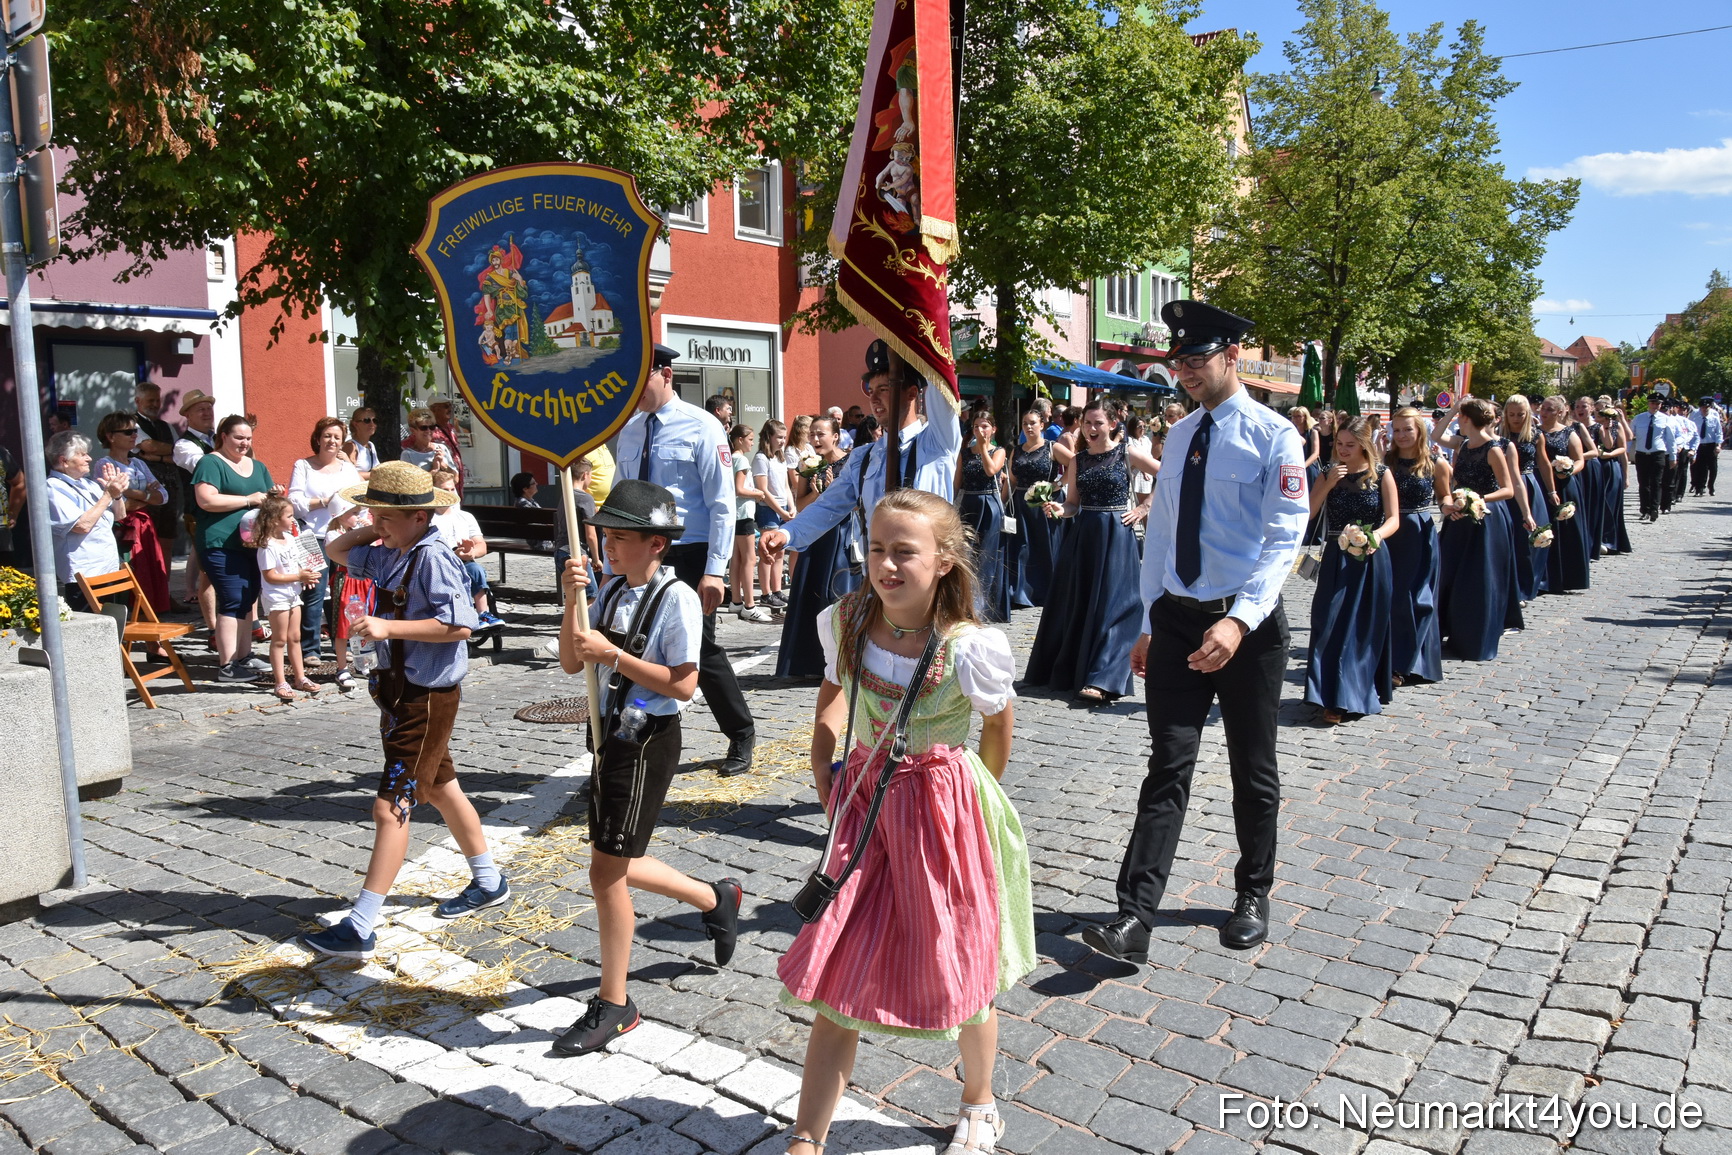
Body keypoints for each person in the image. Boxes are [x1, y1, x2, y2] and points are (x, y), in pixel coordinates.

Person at [778, 489, 1034, 1155]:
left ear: (945, 560)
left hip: (940, 815)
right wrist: (822, 753)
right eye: (878, 549)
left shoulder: (968, 646)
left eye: (904, 552)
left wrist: (972, 790)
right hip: (865, 811)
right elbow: (836, 694)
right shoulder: (852, 618)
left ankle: (979, 1099)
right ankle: (807, 1137)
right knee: (836, 968)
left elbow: (999, 724)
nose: (886, 564)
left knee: (961, 964)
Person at [1083, 301, 1306, 964]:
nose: (1185, 372)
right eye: (1178, 361)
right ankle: (1133, 916)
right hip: (1178, 622)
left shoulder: (1274, 436)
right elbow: (1159, 535)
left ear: (1232, 356)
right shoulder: (1179, 436)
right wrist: (1152, 616)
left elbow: (1285, 538)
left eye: (1196, 359)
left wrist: (1239, 622)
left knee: (1252, 768)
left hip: (1248, 627)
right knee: (1167, 765)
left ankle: (1252, 892)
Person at [550, 480, 743, 1055]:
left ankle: (616, 1003)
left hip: (649, 738)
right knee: (618, 860)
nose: (609, 546)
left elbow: (684, 684)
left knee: (606, 871)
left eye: (621, 538)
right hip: (609, 732)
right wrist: (571, 603)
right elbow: (568, 663)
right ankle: (716, 898)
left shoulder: (676, 598)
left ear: (656, 544)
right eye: (607, 536)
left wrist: (616, 657)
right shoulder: (608, 590)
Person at [303, 462, 496, 959]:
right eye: (373, 511)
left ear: (417, 516)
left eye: (386, 514)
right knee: (441, 785)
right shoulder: (391, 549)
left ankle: (362, 924)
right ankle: (490, 881)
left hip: (425, 695)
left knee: (392, 806)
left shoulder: (432, 558)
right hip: (399, 689)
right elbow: (335, 549)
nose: (376, 523)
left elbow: (461, 625)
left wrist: (391, 629)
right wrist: (379, 522)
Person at [615, 344, 758, 776]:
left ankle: (741, 731)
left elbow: (721, 504)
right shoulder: (631, 430)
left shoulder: (702, 426)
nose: (635, 391)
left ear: (666, 376)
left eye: (643, 380)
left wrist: (716, 570)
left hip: (690, 551)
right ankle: (635, 733)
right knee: (638, 642)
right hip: (644, 550)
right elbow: (622, 498)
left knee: (700, 646)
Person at [759, 339, 964, 596]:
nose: (874, 398)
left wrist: (923, 336)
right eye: (871, 388)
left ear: (912, 392)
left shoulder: (936, 443)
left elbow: (941, 387)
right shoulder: (863, 456)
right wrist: (787, 534)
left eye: (886, 387)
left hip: (928, 588)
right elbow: (827, 507)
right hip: (878, 586)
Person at [1023, 400, 1153, 702]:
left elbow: (1169, 473)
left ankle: (1104, 677)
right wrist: (1059, 508)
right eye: (1087, 423)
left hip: (1116, 536)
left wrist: (1145, 506)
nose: (1092, 429)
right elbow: (1073, 505)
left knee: (1115, 606)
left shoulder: (1126, 453)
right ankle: (1072, 670)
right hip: (1084, 535)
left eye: (1098, 423)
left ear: (1111, 424)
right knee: (1077, 604)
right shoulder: (1079, 459)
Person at [1304, 417, 1399, 723]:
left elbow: (1394, 519)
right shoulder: (1327, 472)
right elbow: (1308, 513)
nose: (1343, 450)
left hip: (1371, 557)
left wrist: (1376, 537)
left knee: (1361, 627)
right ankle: (1327, 693)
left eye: (1350, 445)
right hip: (1336, 555)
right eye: (1340, 444)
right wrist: (1328, 483)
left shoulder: (1382, 474)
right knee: (1327, 621)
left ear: (1365, 445)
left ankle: (1348, 695)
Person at [192, 416, 279, 682]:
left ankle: (244, 655)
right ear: (224, 436)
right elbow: (206, 500)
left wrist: (273, 496)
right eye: (239, 438)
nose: (244, 443)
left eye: (248, 438)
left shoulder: (258, 466)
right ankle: (227, 665)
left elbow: (265, 500)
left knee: (247, 597)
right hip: (219, 543)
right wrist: (247, 500)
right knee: (231, 598)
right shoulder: (210, 462)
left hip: (252, 544)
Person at [774, 416, 860, 680]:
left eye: (820, 434)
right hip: (815, 535)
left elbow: (857, 501)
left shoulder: (853, 461)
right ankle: (810, 662)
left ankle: (845, 661)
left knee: (838, 593)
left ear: (835, 436)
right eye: (811, 434)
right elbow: (801, 505)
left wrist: (836, 490)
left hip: (844, 533)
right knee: (811, 593)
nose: (814, 440)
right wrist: (817, 493)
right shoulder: (809, 465)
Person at [1437, 399, 1523, 661]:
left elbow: (1507, 489)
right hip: (1459, 516)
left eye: (1459, 416)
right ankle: (1447, 629)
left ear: (1466, 419)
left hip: (1485, 519)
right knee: (1450, 574)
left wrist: (1478, 499)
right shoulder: (1463, 445)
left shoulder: (1494, 449)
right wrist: (1453, 408)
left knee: (1477, 578)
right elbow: (1435, 436)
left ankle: (1475, 636)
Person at [289, 417, 364, 665]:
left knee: (342, 593)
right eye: (328, 436)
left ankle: (341, 643)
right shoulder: (303, 465)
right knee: (314, 591)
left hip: (344, 536)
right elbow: (295, 503)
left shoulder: (347, 469)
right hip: (312, 536)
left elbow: (359, 500)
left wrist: (357, 522)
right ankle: (310, 649)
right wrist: (325, 501)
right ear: (318, 438)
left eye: (337, 437)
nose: (332, 441)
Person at [1387, 408, 1449, 685]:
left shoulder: (1435, 462)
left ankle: (1409, 661)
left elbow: (1444, 497)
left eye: (1407, 429)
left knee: (1418, 599)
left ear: (1420, 430)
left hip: (1420, 535)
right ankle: (1394, 660)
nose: (1401, 435)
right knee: (1395, 598)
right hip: (1390, 534)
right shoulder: (1385, 462)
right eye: (1396, 430)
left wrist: (1455, 505)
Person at [95, 412, 171, 614]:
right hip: (123, 527)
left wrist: (131, 493)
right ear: (111, 436)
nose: (134, 435)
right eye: (128, 431)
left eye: (135, 431)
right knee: (132, 570)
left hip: (145, 524)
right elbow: (115, 503)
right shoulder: (105, 465)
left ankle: (150, 613)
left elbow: (163, 496)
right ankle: (130, 616)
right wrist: (146, 496)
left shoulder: (139, 463)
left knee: (151, 570)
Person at [44, 432, 126, 609]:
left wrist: (117, 495)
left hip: (108, 567)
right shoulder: (53, 488)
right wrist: (108, 495)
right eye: (82, 454)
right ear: (64, 461)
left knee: (111, 621)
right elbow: (81, 526)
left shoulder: (88, 484)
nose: (89, 458)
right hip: (84, 573)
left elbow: (120, 516)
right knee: (90, 626)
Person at [254, 494, 322, 701]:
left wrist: (306, 576)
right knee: (279, 639)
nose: (293, 520)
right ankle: (280, 681)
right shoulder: (267, 545)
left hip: (293, 595)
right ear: (275, 520)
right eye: (289, 516)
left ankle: (300, 677)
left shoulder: (291, 539)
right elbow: (271, 576)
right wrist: (298, 576)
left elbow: (296, 564)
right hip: (277, 598)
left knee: (295, 637)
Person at [955, 408, 1012, 623]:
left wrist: (983, 447)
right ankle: (966, 603)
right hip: (969, 504)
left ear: (993, 429)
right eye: (976, 426)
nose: (980, 429)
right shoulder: (964, 453)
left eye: (985, 426)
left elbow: (991, 471)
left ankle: (983, 608)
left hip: (989, 505)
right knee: (967, 555)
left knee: (987, 557)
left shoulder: (999, 451)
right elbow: (957, 483)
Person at [430, 469, 504, 630]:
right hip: (438, 566)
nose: (450, 493)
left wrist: (472, 552)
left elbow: (481, 545)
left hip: (464, 562)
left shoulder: (465, 517)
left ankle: (483, 613)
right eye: (444, 489)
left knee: (475, 569)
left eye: (452, 489)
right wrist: (452, 554)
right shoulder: (429, 518)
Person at [173, 389, 219, 627]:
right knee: (208, 570)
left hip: (221, 509)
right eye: (200, 409)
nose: (207, 412)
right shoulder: (184, 444)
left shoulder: (216, 439)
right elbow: (203, 467)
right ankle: (212, 627)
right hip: (200, 510)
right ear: (188, 416)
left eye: (209, 408)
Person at [1497, 396, 1549, 605]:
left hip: (1528, 485)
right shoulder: (1498, 436)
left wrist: (1552, 491)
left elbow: (1543, 463)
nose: (1516, 418)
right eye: (1512, 414)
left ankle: (1527, 584)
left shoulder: (1535, 435)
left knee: (1529, 536)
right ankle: (1509, 586)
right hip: (1504, 486)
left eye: (1521, 414)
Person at [1006, 407, 1059, 609]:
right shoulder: (1017, 450)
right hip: (1020, 503)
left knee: (1042, 548)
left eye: (1033, 423)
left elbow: (1076, 463)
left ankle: (1044, 591)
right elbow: (1011, 480)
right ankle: (1020, 593)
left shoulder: (1051, 447)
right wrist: (1002, 503)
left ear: (1042, 425)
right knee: (1021, 548)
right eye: (1025, 424)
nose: (1028, 427)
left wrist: (1057, 485)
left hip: (1042, 504)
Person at [1538, 396, 1591, 593]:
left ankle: (1567, 576)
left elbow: (1579, 460)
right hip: (1541, 483)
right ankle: (1543, 576)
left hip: (1564, 484)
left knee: (1566, 529)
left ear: (1560, 412)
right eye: (1543, 408)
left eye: (1550, 409)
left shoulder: (1569, 433)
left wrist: (1568, 470)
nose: (1544, 413)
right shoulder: (1535, 432)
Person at [131, 382, 183, 563]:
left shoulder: (166, 426)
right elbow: (148, 445)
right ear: (138, 401)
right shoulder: (130, 424)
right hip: (146, 491)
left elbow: (180, 454)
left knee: (166, 541)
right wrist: (157, 450)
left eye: (157, 400)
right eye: (150, 400)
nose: (155, 404)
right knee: (146, 542)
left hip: (170, 490)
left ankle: (164, 588)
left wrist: (158, 457)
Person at [728, 423, 774, 623]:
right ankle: (749, 604)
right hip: (744, 514)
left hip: (734, 515)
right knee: (749, 559)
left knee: (737, 559)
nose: (752, 443)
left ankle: (736, 601)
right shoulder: (742, 461)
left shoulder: (730, 459)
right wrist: (758, 493)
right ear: (740, 440)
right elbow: (739, 489)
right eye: (750, 439)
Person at [753, 420, 796, 611]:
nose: (782, 441)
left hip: (783, 507)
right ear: (769, 437)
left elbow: (786, 486)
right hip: (768, 509)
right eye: (779, 437)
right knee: (768, 552)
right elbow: (762, 489)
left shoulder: (781, 458)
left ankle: (777, 590)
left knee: (780, 552)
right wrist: (781, 511)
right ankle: (765, 593)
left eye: (784, 437)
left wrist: (791, 506)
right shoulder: (762, 458)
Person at [1630, 391, 1678, 523]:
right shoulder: (1639, 418)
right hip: (1641, 454)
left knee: (1656, 483)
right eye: (1652, 402)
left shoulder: (1666, 419)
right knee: (1643, 483)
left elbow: (1671, 439)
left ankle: (1654, 509)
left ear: (1661, 404)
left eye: (1657, 403)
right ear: (1648, 403)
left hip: (1658, 454)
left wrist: (1673, 457)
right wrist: (1627, 452)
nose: (1655, 405)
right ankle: (1644, 510)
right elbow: (1630, 436)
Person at [1596, 405, 1631, 555]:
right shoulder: (1591, 425)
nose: (1606, 417)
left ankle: (1610, 540)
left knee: (1610, 503)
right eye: (1601, 412)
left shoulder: (1616, 426)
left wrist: (1626, 475)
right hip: (1595, 466)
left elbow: (1622, 448)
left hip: (1611, 466)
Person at [428, 398, 466, 494]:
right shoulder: (428, 430)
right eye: (445, 406)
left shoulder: (451, 428)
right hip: (442, 483)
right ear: (434, 410)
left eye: (450, 406)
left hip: (456, 480)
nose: (449, 409)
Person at [1691, 397, 1722, 496]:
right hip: (1699, 445)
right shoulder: (1695, 418)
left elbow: (1719, 433)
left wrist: (1718, 445)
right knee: (1700, 468)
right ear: (1700, 408)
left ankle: (1711, 485)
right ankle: (1699, 488)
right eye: (1703, 408)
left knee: (1713, 468)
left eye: (1707, 408)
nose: (1705, 409)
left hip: (1711, 445)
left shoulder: (1714, 418)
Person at [1670, 402, 1697, 508]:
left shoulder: (1689, 423)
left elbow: (1694, 437)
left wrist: (1694, 451)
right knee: (1673, 473)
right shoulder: (1672, 420)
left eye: (1683, 410)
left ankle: (1679, 493)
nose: (1681, 411)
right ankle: (1672, 494)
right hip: (1674, 448)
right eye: (1679, 409)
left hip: (1684, 449)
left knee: (1682, 472)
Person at [346, 408, 381, 476]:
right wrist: (375, 475)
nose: (372, 424)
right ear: (355, 424)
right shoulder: (351, 446)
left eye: (374, 420)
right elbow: (349, 473)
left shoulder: (371, 445)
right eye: (367, 420)